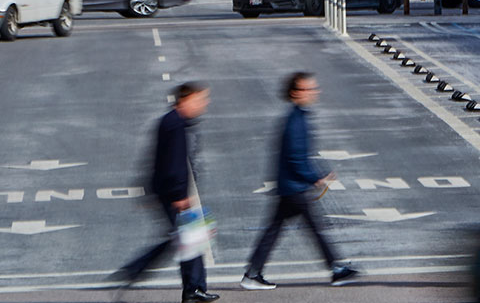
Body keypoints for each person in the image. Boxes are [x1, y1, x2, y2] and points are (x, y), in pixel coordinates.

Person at [240, 72, 358, 290]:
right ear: (295, 93)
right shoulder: (295, 121)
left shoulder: (298, 116)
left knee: (276, 230)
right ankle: (336, 269)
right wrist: (316, 178)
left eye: (314, 88)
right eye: (308, 89)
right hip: (293, 187)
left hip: (290, 186)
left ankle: (252, 273)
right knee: (314, 227)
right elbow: (296, 158)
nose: (314, 92)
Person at [115, 82, 218, 303]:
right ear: (186, 100)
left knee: (190, 240)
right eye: (200, 99)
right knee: (186, 240)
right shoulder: (175, 125)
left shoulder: (177, 122)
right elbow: (174, 164)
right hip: (175, 195)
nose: (204, 104)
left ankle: (193, 288)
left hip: (174, 192)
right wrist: (180, 195)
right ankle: (139, 271)